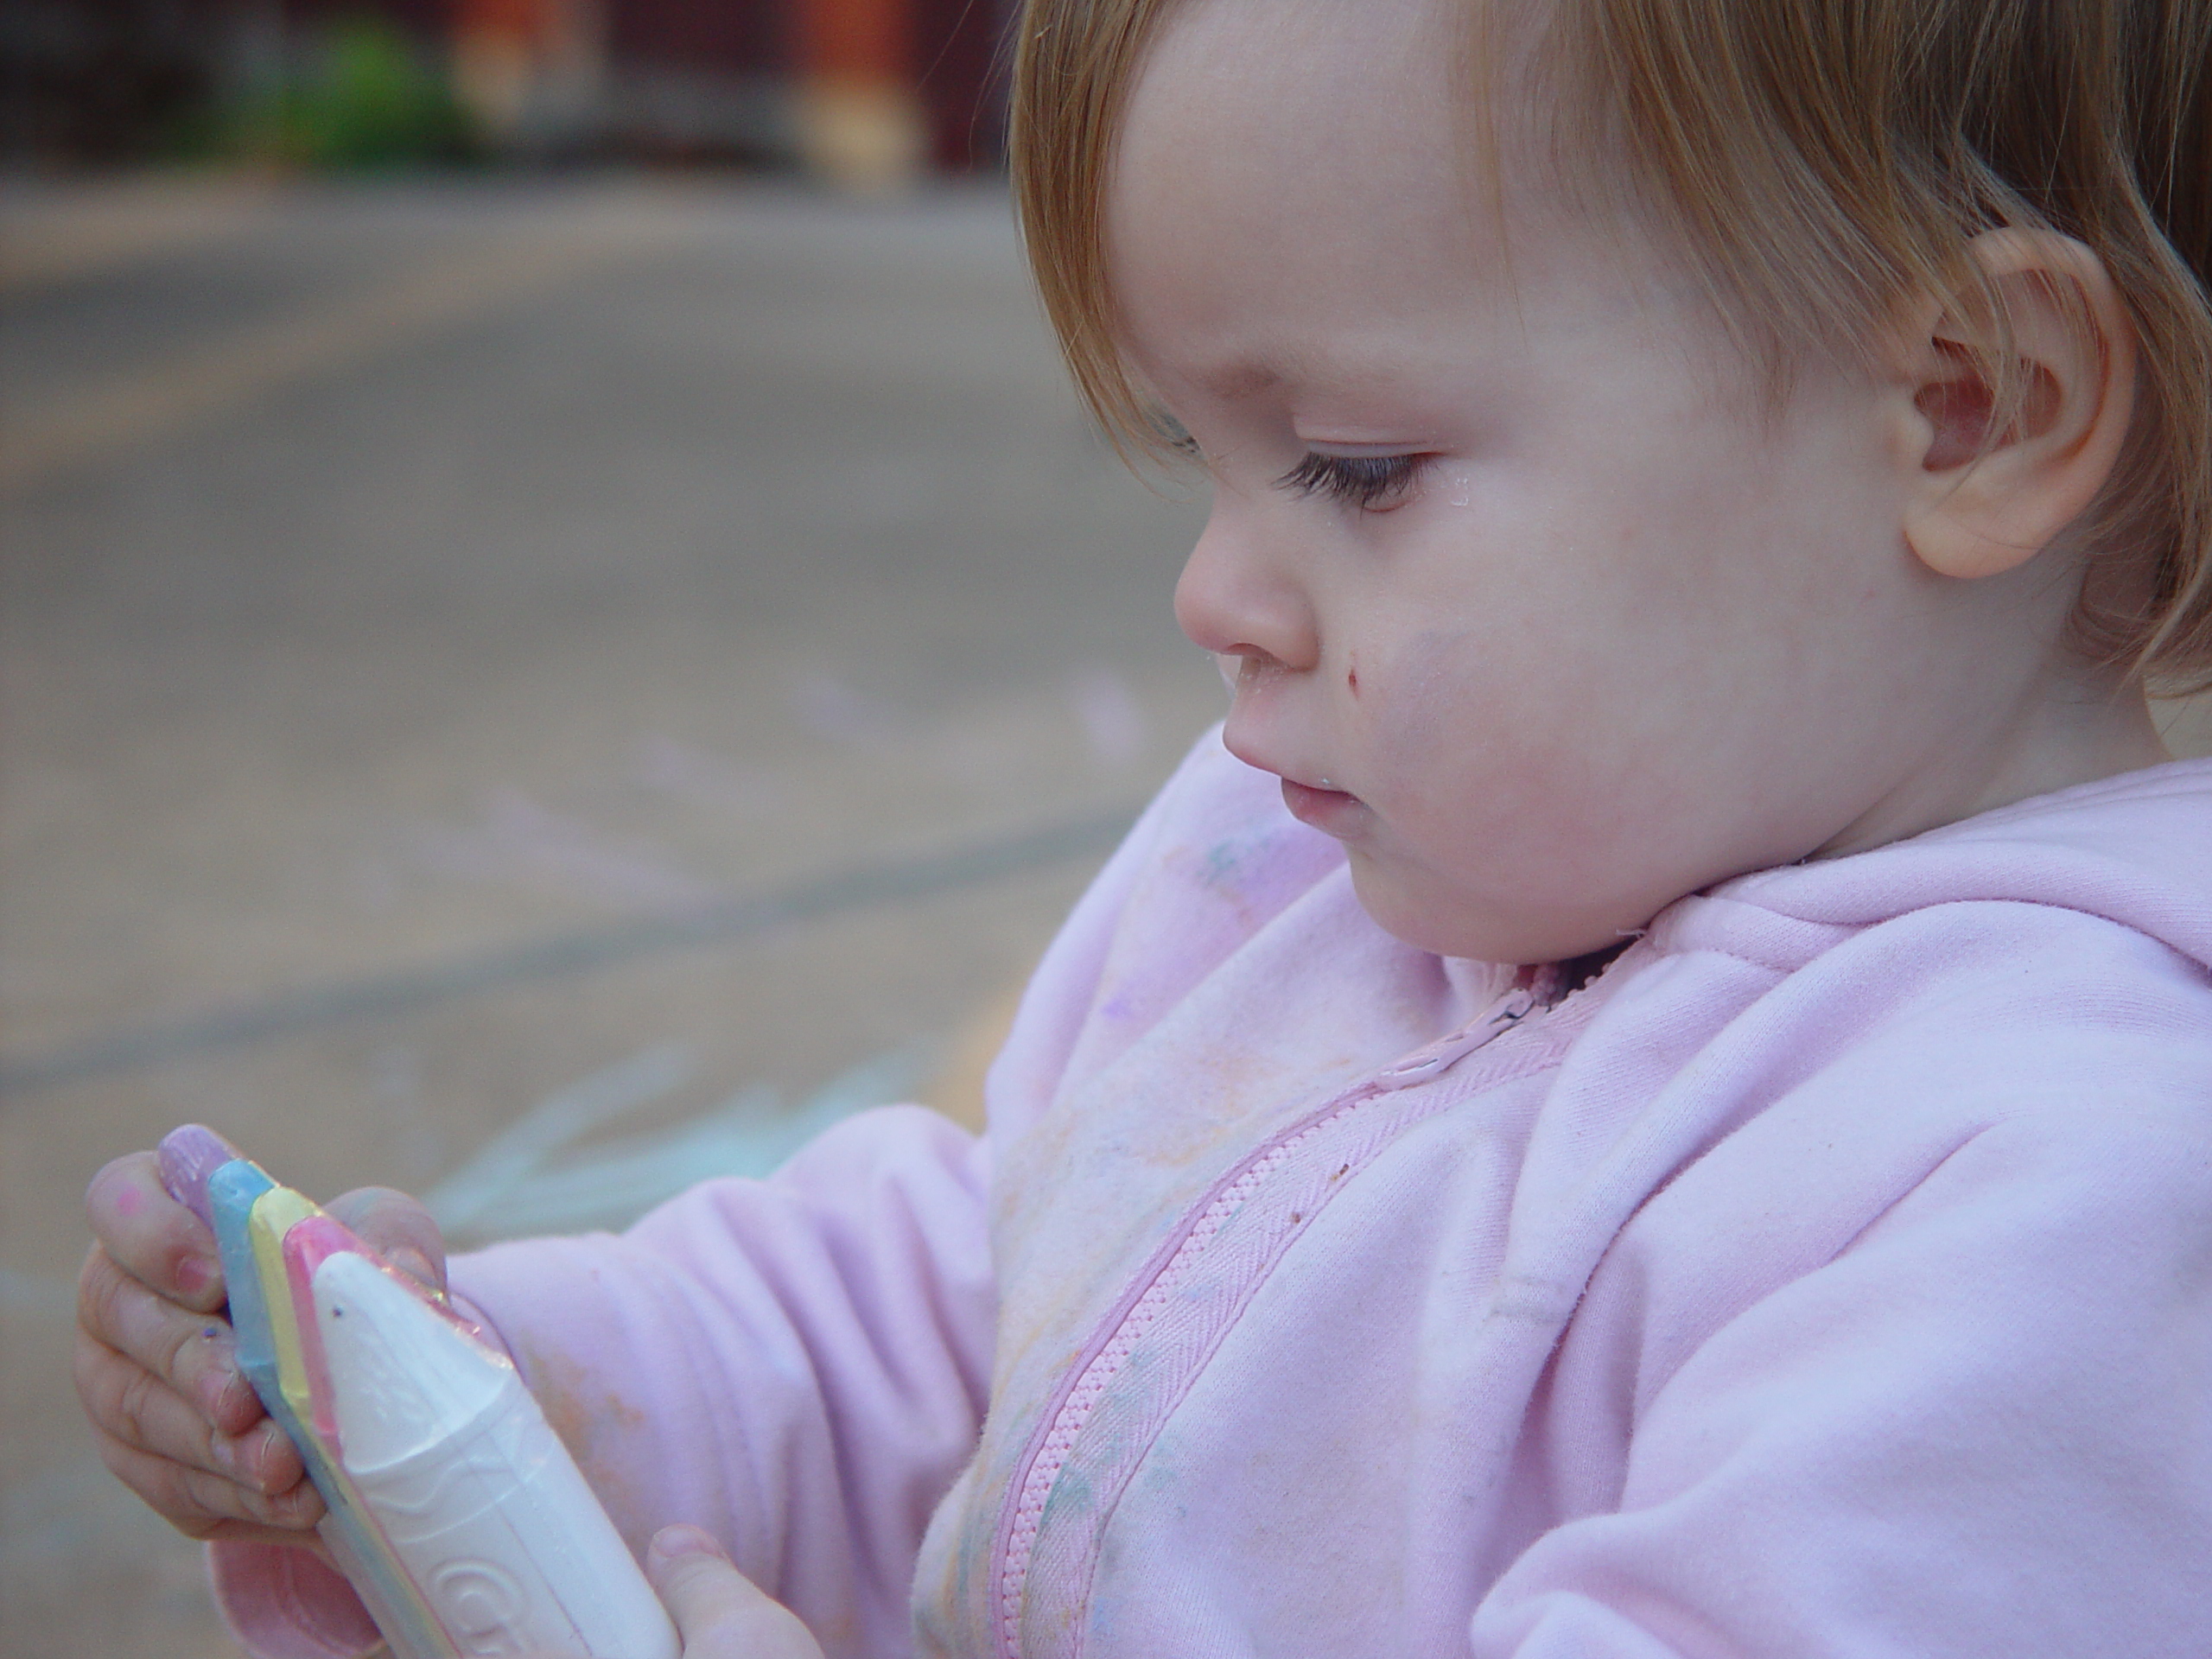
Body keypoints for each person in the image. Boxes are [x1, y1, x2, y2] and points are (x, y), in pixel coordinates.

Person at [73, 0, 2212, 1652]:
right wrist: (500, 1393)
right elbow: (982, 1292)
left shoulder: (2050, 1200)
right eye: (1199, 457)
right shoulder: (1317, 864)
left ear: (1967, 407)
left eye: (1357, 469)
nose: (1213, 596)